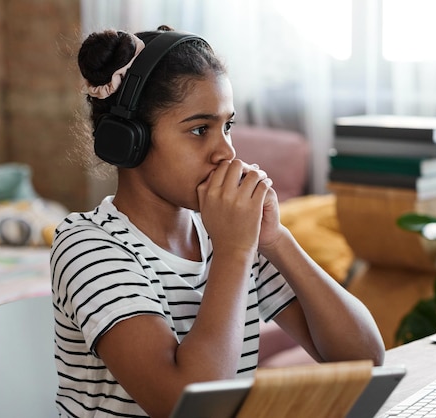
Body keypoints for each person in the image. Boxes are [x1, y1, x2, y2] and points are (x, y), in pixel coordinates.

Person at [51, 25, 385, 418]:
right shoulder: (87, 246)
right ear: (129, 140)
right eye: (199, 129)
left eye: (227, 126)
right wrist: (234, 251)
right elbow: (189, 407)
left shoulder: (226, 233)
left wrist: (275, 240)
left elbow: (363, 359)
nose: (226, 152)